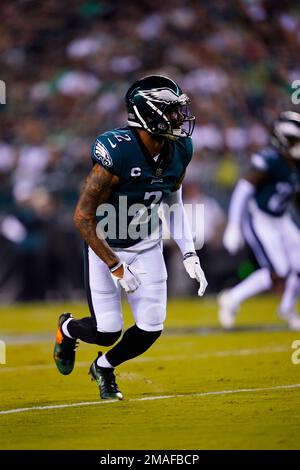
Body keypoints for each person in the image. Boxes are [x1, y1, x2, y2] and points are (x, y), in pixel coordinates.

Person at [53, 75, 207, 400]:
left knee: (152, 325)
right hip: (105, 245)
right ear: (148, 115)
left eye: (179, 110)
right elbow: (82, 217)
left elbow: (173, 201)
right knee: (107, 330)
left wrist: (189, 253)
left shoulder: (180, 149)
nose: (180, 118)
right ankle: (67, 328)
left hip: (147, 244)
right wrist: (116, 266)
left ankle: (104, 368)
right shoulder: (117, 151)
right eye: (171, 111)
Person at [219, 111, 300, 331]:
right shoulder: (269, 160)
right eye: (296, 141)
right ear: (284, 140)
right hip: (260, 219)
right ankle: (232, 298)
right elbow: (243, 190)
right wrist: (234, 225)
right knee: (279, 271)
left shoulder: (295, 164)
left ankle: (287, 309)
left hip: (281, 219)